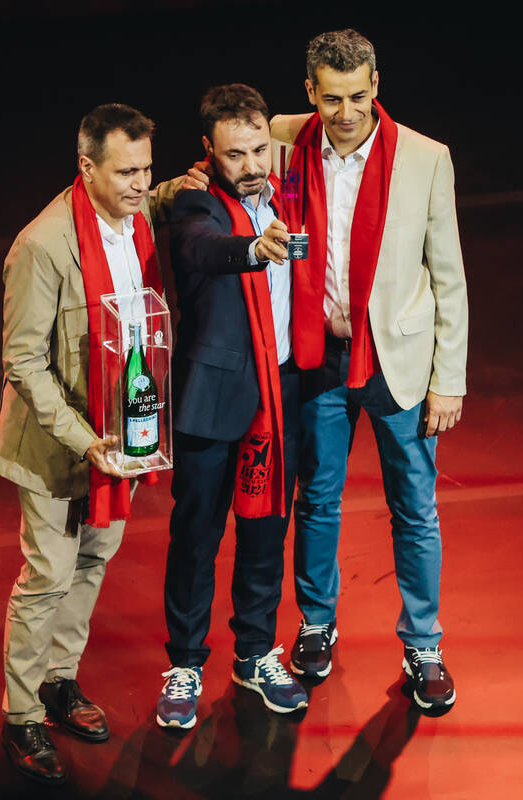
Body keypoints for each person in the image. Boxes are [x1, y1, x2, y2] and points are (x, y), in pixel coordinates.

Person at [0, 103, 193, 783]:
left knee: (93, 560)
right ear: (87, 168)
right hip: (60, 445)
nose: (141, 183)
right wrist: (85, 442)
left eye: (147, 169)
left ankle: (58, 680)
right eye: (126, 171)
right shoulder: (44, 244)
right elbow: (22, 363)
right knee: (47, 575)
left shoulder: (135, 211)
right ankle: (20, 716)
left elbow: (158, 199)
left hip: (125, 429)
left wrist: (182, 186)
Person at [271, 29, 468, 711]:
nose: (347, 112)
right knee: (316, 500)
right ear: (310, 93)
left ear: (376, 86)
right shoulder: (282, 140)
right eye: (332, 98)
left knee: (415, 508)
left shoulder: (424, 158)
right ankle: (317, 625)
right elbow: (225, 168)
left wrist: (451, 379)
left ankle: (423, 646)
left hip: (399, 363)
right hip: (320, 356)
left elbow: (450, 277)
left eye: (359, 96)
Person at [154, 83, 309, 729]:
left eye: (257, 151)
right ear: (208, 152)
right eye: (233, 154)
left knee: (267, 528)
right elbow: (197, 246)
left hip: (280, 392)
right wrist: (256, 249)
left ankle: (255, 653)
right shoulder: (194, 197)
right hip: (213, 394)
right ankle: (186, 663)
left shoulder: (291, 187)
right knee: (197, 534)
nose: (249, 166)